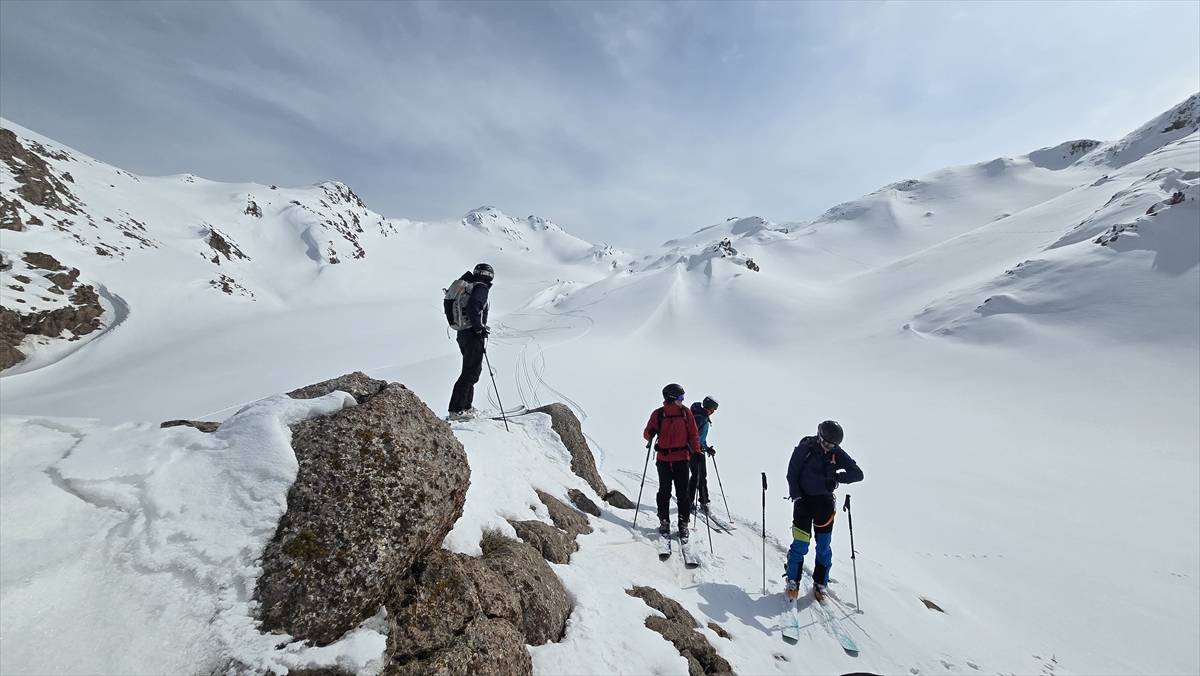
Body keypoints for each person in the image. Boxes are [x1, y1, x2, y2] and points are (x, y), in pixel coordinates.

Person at [784, 420, 863, 601]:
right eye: (826, 443)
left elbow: (858, 474)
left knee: (824, 546)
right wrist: (797, 497)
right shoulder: (806, 448)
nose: (828, 447)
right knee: (801, 545)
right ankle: (792, 580)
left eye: (832, 445)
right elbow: (792, 474)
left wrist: (837, 478)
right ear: (819, 436)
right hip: (803, 503)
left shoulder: (836, 453)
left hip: (825, 506)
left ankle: (820, 582)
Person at [643, 383, 702, 541]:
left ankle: (683, 524)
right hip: (663, 460)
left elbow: (693, 434)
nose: (683, 400)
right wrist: (651, 433)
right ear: (671, 398)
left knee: (683, 494)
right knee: (664, 492)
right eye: (680, 398)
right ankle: (664, 521)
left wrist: (697, 452)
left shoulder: (686, 413)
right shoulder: (658, 414)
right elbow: (646, 433)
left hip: (682, 459)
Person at [448, 263, 494, 419]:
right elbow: (474, 306)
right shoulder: (481, 288)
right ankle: (457, 409)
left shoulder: (469, 285)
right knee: (470, 373)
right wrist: (479, 328)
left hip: (463, 333)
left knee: (471, 370)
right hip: (472, 334)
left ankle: (465, 407)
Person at [687, 396, 719, 515]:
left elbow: (700, 437)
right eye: (714, 408)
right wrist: (697, 448)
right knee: (697, 476)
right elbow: (693, 436)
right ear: (709, 407)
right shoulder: (700, 418)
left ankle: (701, 501)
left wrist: (706, 448)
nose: (714, 411)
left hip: (697, 450)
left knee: (700, 476)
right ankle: (692, 502)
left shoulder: (702, 417)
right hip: (693, 451)